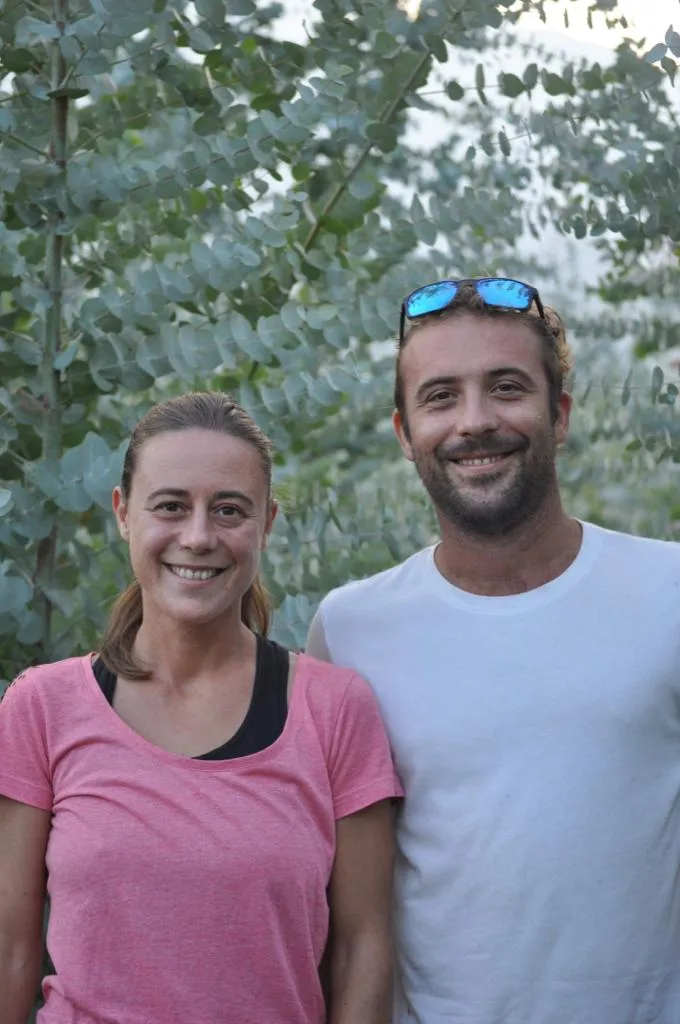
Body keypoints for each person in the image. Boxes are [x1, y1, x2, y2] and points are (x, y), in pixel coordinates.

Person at [306, 277, 680, 1024]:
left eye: (506, 388)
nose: (475, 421)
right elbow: (336, 915)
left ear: (559, 413)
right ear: (405, 432)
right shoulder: (349, 632)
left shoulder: (669, 592)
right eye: (440, 396)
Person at [0, 391, 402, 1024]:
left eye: (229, 510)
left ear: (266, 524)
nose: (197, 536)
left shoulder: (334, 709)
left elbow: (363, 948)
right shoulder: (42, 706)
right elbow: (12, 951)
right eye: (170, 506)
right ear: (123, 513)